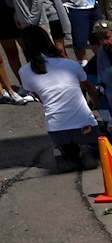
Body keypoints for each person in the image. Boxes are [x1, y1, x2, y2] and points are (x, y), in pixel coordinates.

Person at [17, 25, 102, 169]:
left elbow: (40, 97)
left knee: (68, 148)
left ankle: (66, 154)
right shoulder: (70, 64)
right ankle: (87, 150)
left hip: (57, 129)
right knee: (98, 143)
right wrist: (96, 104)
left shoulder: (24, 71)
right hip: (85, 125)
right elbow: (89, 87)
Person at [0, 0, 35, 103]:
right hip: (1, 20)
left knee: (28, 49)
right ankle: (23, 84)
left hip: (14, 14)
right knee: (11, 53)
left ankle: (36, 81)